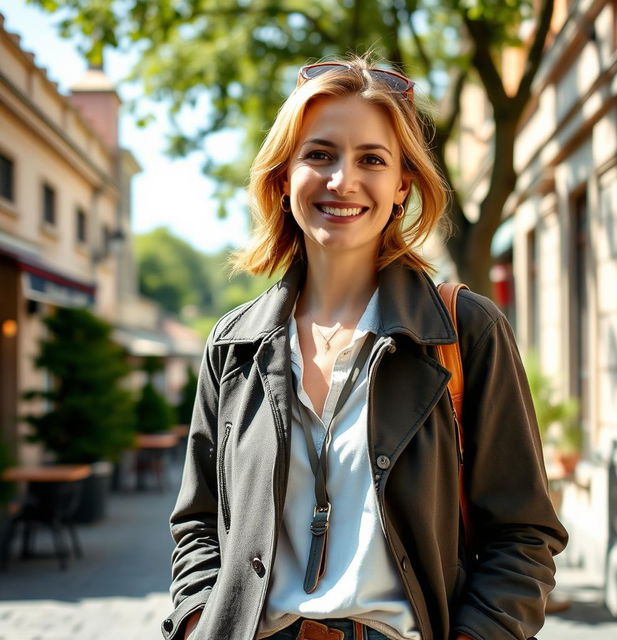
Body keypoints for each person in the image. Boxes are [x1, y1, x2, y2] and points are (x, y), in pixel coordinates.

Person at [162, 55, 568, 640]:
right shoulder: (235, 345)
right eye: (319, 154)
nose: (341, 181)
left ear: (403, 183)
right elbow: (197, 523)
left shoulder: (463, 330)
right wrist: (201, 619)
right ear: (283, 176)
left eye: (371, 159)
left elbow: (524, 532)